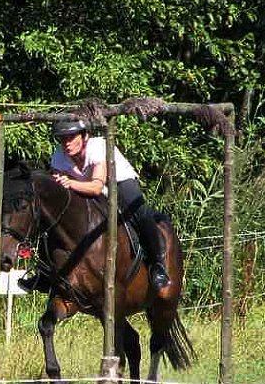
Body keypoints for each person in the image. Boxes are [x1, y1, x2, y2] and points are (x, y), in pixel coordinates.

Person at [18, 119, 171, 292]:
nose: (66, 143)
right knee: (52, 219)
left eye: (71, 137)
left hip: (118, 181)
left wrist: (69, 183)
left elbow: (96, 187)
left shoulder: (98, 148)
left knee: (140, 213)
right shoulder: (59, 156)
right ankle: (44, 272)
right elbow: (60, 185)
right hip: (83, 185)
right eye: (62, 139)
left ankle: (157, 264)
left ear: (84, 136)